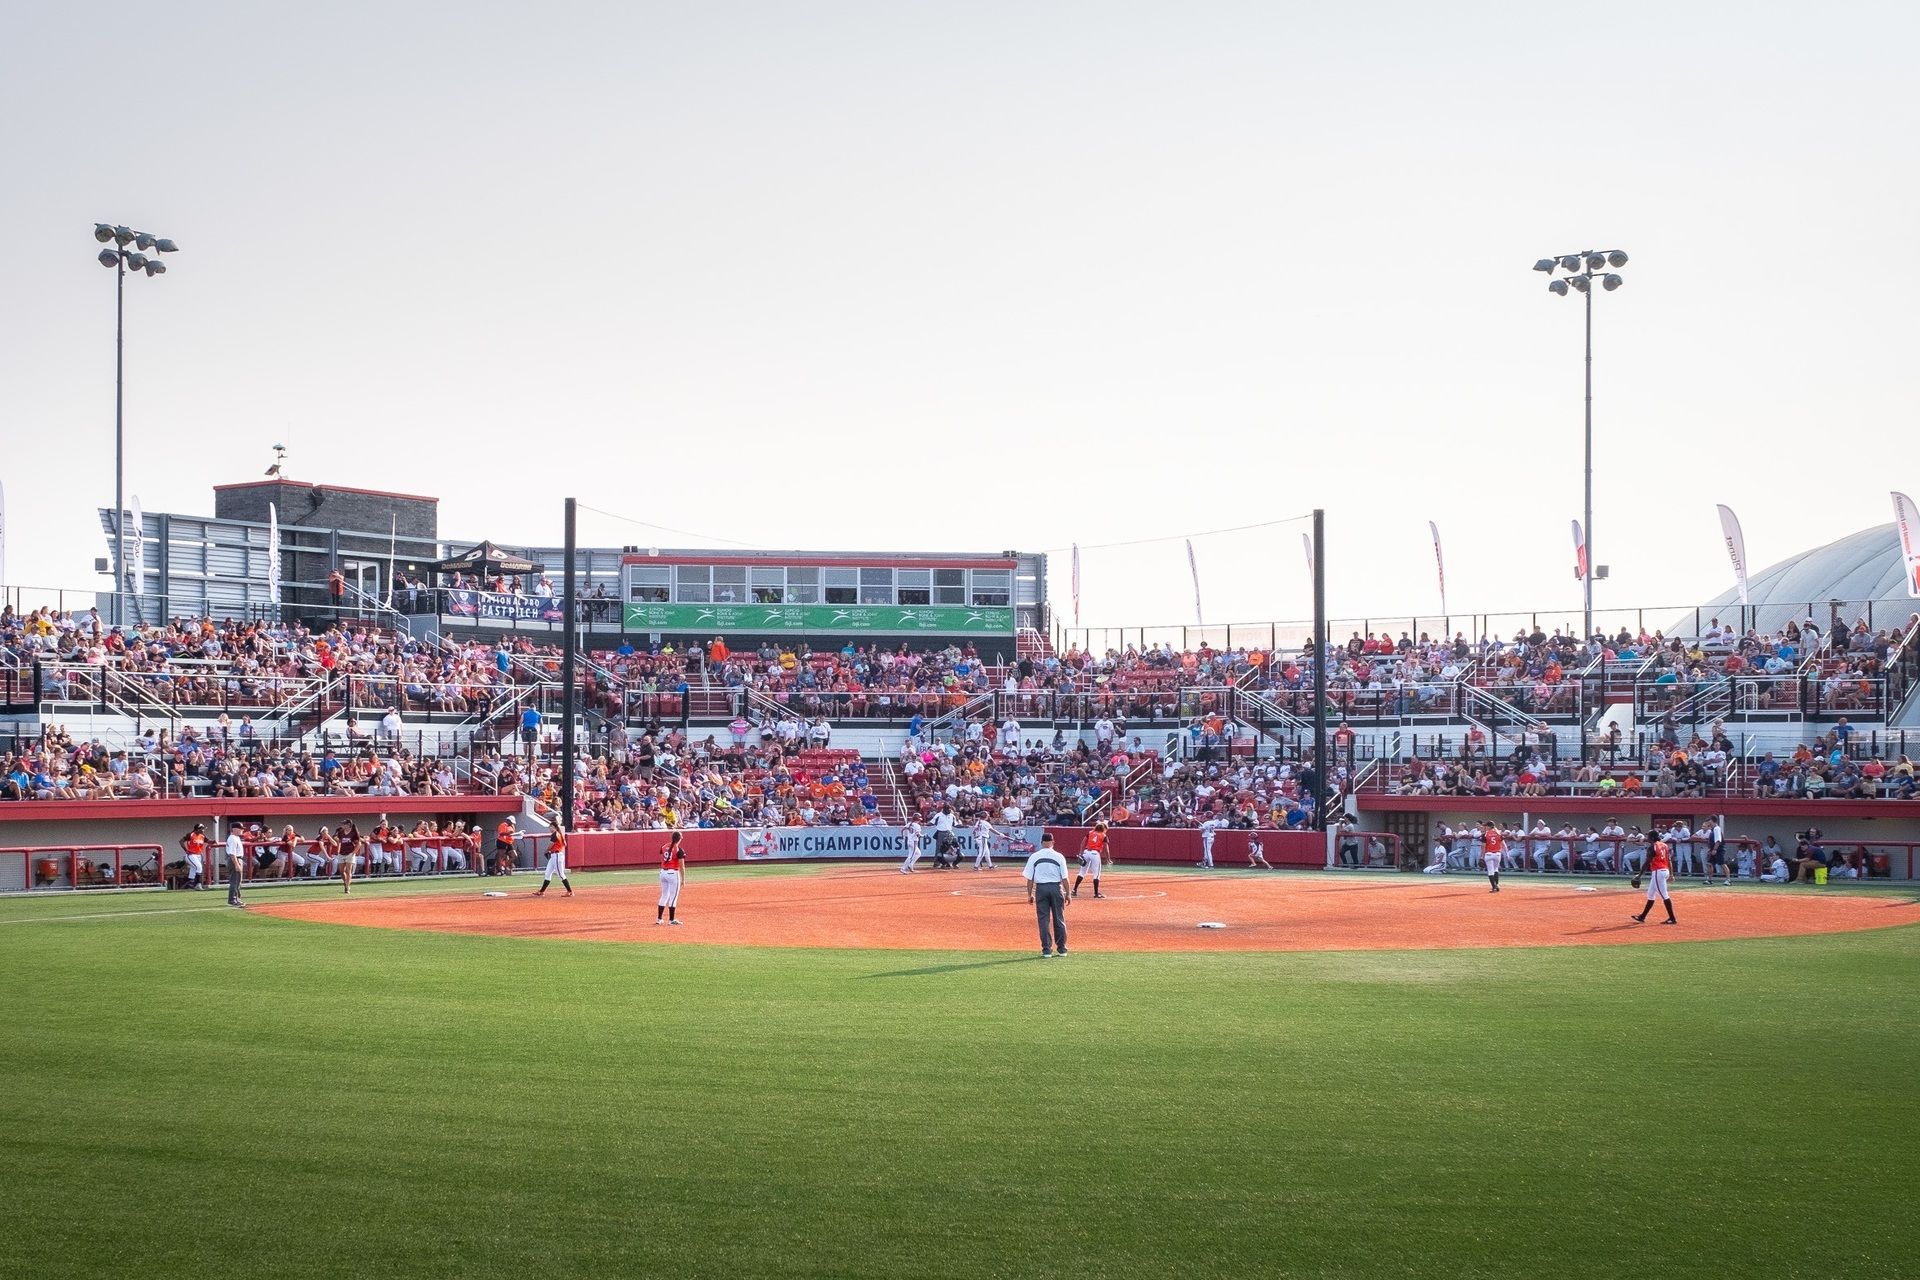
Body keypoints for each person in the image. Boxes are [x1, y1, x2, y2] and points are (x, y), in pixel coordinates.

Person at [1021, 832, 1072, 958]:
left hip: (1041, 889)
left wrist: (1029, 894)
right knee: (1059, 918)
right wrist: (1068, 893)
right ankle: (1061, 948)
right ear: (1053, 842)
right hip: (1056, 888)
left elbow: (1030, 879)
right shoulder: (1059, 856)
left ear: (1041, 842)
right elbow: (1065, 878)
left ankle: (1046, 949)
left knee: (1043, 919)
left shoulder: (1034, 856)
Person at [1633, 833, 1678, 925]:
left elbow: (1647, 863)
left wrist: (1639, 875)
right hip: (1664, 870)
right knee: (1650, 894)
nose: (1646, 838)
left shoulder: (1652, 847)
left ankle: (1672, 918)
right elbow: (1669, 860)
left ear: (1652, 838)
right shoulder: (1664, 845)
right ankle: (1642, 916)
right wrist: (1671, 874)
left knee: (1664, 895)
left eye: (1648, 837)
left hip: (1658, 872)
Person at [656, 830, 685, 925]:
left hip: (663, 872)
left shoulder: (664, 846)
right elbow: (682, 866)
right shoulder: (678, 849)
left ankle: (659, 918)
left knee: (664, 895)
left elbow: (662, 855)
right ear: (679, 839)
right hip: (673, 873)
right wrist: (683, 879)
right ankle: (671, 920)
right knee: (673, 897)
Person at [536, 827, 573, 897]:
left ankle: (570, 891)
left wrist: (547, 850)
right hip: (554, 855)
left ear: (554, 827)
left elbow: (551, 844)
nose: (550, 828)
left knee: (560, 874)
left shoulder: (555, 834)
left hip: (557, 855)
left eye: (551, 827)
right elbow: (564, 844)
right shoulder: (559, 834)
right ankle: (542, 891)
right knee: (547, 873)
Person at [1073, 821, 1107, 899]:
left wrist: (1080, 853)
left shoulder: (1090, 832)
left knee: (1082, 872)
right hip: (1095, 853)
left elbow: (1082, 843)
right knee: (1096, 874)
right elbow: (1106, 848)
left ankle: (1074, 890)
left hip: (1086, 852)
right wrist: (1108, 858)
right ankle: (1096, 893)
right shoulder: (1103, 835)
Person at [223, 822, 247, 908]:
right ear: (234, 829)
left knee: (238, 881)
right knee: (235, 881)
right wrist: (236, 864)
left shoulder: (236, 838)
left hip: (238, 859)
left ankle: (236, 898)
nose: (242, 830)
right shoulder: (232, 838)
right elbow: (232, 853)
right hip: (235, 859)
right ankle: (232, 900)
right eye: (240, 828)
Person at [179, 823, 209, 890]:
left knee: (194, 869)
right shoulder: (191, 834)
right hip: (191, 855)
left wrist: (214, 842)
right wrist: (185, 850)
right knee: (199, 867)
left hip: (198, 855)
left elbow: (209, 841)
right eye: (202, 829)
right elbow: (181, 841)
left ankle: (190, 885)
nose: (203, 830)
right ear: (197, 829)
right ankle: (198, 884)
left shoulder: (202, 836)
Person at [1702, 816, 1730, 885]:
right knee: (1709, 864)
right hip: (1713, 849)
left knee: (1722, 864)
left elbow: (1718, 840)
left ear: (1712, 821)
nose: (1708, 823)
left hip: (1718, 849)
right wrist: (1711, 849)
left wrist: (1715, 849)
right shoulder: (1712, 829)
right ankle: (1709, 879)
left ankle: (1728, 880)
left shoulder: (1716, 829)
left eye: (1709, 821)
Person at [1482, 822, 1506, 893]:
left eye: (1486, 826)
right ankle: (1497, 885)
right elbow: (1503, 844)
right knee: (1496, 869)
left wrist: (1481, 856)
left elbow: (1483, 846)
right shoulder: (1498, 833)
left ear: (1489, 826)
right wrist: (1507, 853)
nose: (1485, 827)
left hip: (1489, 854)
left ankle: (1494, 887)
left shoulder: (1486, 834)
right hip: (1497, 854)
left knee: (1490, 871)